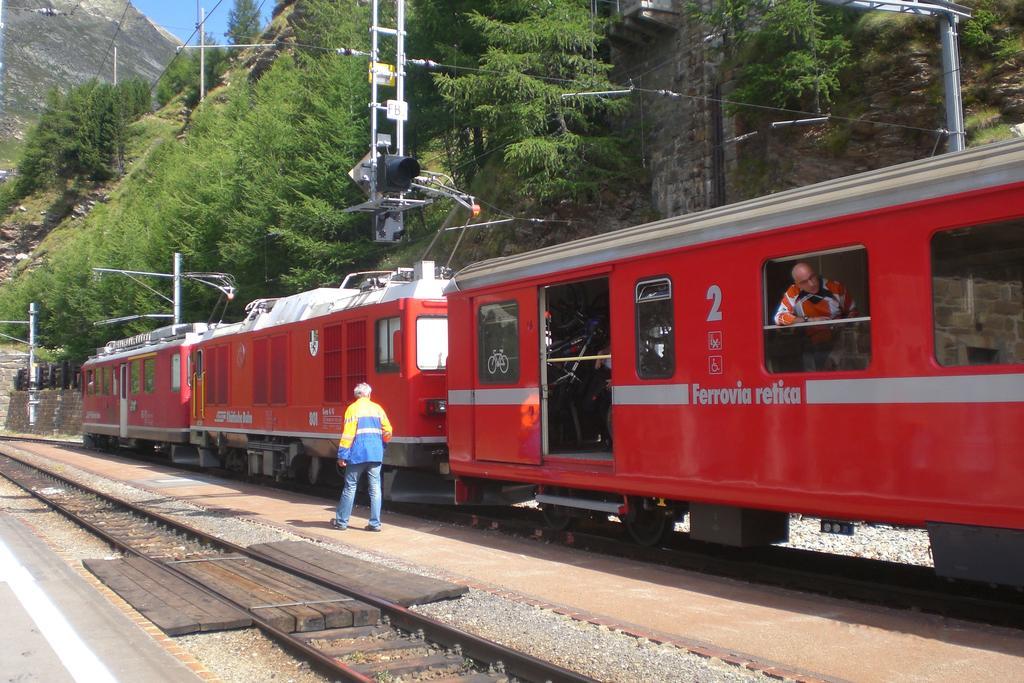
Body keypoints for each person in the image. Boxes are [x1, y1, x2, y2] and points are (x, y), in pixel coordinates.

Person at [774, 262, 858, 370]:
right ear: (797, 284)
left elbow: (853, 311)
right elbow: (779, 318)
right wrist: (809, 320)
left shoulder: (835, 287)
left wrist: (842, 325)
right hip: (810, 345)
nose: (811, 283)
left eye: (812, 277)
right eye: (804, 282)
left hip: (838, 343)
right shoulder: (793, 292)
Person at [332, 382, 392, 532]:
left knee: (350, 486)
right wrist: (381, 445)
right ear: (369, 394)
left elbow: (348, 435)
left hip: (357, 454)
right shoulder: (378, 409)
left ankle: (341, 522)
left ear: (356, 395)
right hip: (375, 454)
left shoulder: (352, 409)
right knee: (375, 488)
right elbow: (388, 431)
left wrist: (342, 455)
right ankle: (375, 523)